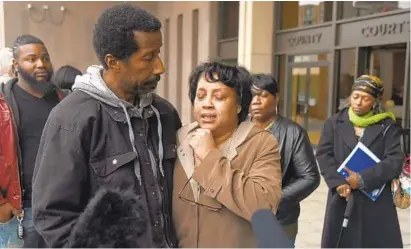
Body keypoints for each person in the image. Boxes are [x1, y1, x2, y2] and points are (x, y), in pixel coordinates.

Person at [32, 4, 181, 248]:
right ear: (113, 62)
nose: (160, 67)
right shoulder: (71, 119)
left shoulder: (164, 113)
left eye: (159, 53)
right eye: (148, 57)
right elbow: (52, 217)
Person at [172, 62, 282, 247]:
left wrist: (209, 157)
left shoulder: (261, 143)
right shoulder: (179, 139)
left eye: (219, 97)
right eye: (200, 96)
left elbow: (264, 207)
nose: (207, 104)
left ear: (239, 105)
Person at [316, 75, 404, 248]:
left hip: (376, 199)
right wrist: (338, 182)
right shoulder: (333, 123)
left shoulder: (387, 126)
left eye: (365, 99)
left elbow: (394, 160)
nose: (358, 102)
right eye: (355, 97)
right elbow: (324, 155)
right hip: (343, 194)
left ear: (375, 102)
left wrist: (362, 179)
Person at [0, 34, 66, 248]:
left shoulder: (64, 101)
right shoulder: (4, 106)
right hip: (20, 211)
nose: (41, 64)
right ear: (15, 64)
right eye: (32, 59)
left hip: (62, 209)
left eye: (45, 58)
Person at [249, 73, 320, 245]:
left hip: (278, 221)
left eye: (263, 95)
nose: (256, 101)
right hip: (240, 221)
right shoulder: (237, 128)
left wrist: (275, 198)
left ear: (277, 97)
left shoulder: (293, 132)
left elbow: (310, 177)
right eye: (251, 96)